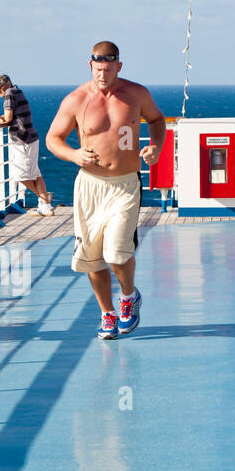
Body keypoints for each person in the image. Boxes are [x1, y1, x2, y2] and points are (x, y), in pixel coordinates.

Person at [45, 40, 165, 339]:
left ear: (119, 67)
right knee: (91, 256)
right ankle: (107, 313)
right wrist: (73, 155)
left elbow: (157, 119)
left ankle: (129, 297)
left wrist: (157, 147)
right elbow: (53, 138)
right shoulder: (76, 100)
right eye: (98, 69)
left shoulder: (136, 94)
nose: (103, 75)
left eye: (109, 69)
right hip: (89, 187)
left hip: (125, 183)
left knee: (116, 252)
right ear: (91, 66)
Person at [0, 75, 53, 215]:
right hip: (31, 138)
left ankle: (44, 198)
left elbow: (8, 119)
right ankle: (45, 204)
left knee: (20, 176)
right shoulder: (17, 91)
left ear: (7, 84)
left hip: (23, 140)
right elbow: (15, 115)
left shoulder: (9, 94)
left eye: (0, 87)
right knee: (35, 172)